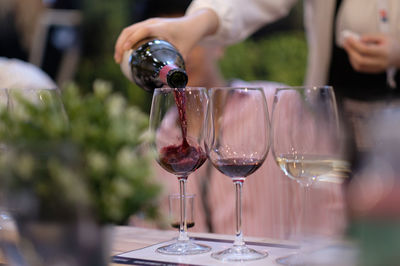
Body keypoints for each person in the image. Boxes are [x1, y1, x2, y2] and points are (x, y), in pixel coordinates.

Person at [124, 0, 346, 239]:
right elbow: (144, 235)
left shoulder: (276, 106)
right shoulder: (153, 147)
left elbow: (328, 200)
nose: (181, 58)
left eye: (192, 42)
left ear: (220, 44)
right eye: (168, 49)